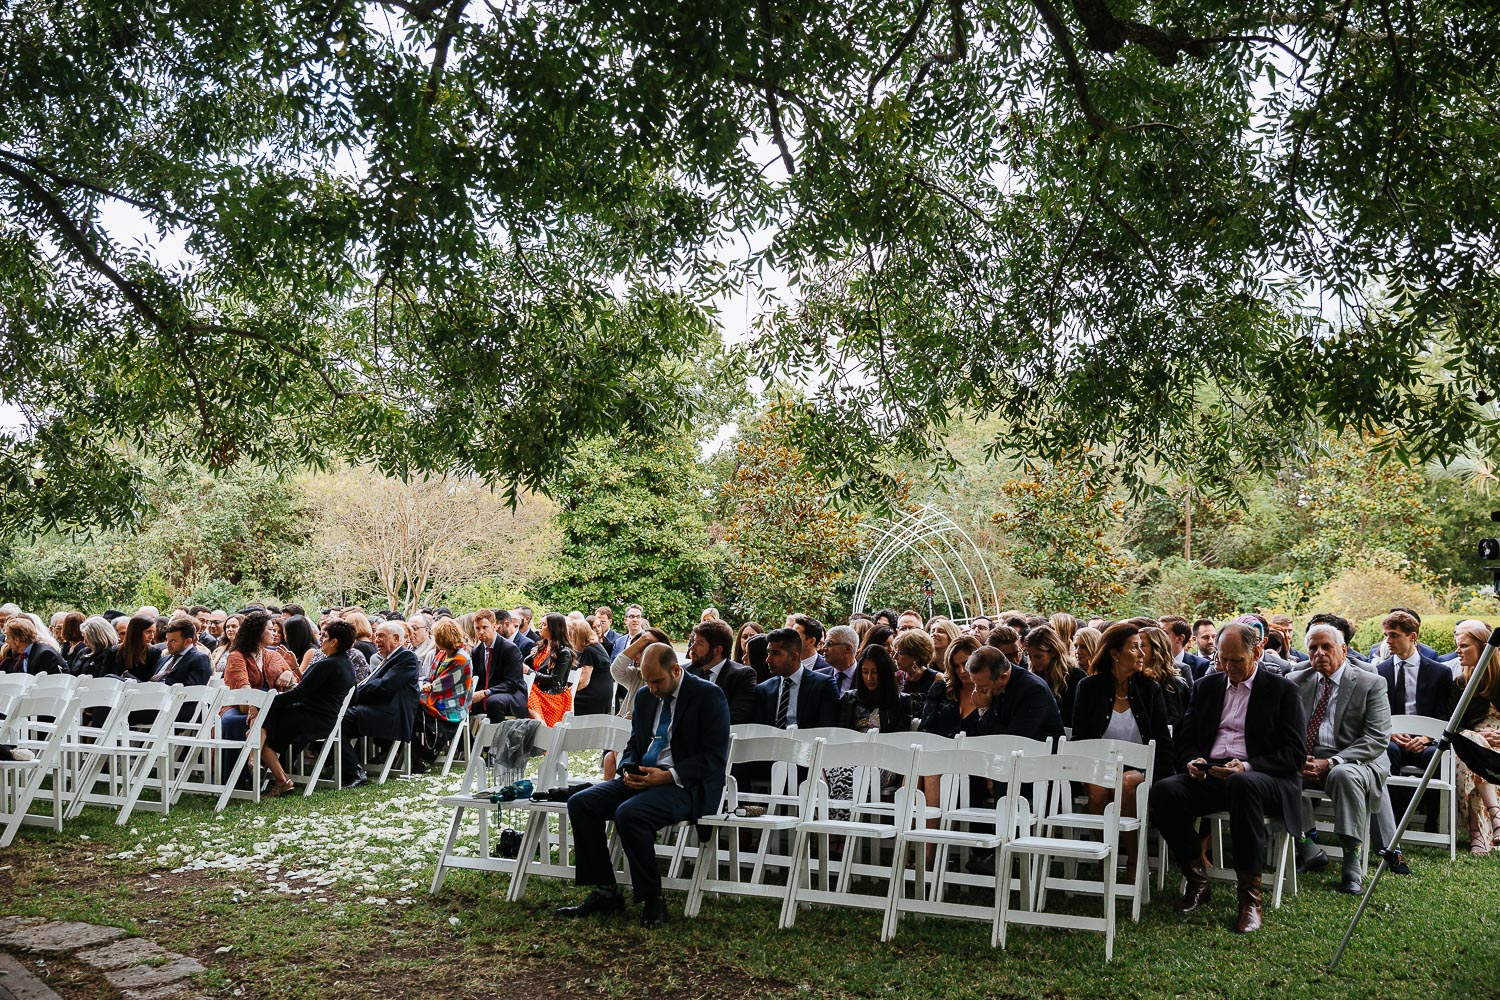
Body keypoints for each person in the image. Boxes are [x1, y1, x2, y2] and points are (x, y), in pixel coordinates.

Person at [558, 643, 729, 928]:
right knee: (581, 802)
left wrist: (669, 775)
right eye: (647, 681)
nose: (651, 688)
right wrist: (628, 770)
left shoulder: (708, 696)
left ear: (676, 670)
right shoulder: (645, 696)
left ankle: (652, 899)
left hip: (686, 786)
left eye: (657, 681)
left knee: (630, 813)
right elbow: (635, 744)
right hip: (645, 777)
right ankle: (605, 891)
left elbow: (714, 758)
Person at [1148, 622, 1305, 934]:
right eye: (1223, 660)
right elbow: (1186, 737)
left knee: (1241, 784)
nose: (1229, 667)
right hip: (1213, 772)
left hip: (1263, 777)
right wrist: (1191, 760)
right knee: (1165, 791)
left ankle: (1250, 901)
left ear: (1257, 652)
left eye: (1237, 660)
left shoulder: (1282, 690)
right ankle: (1198, 881)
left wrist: (1246, 766)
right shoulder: (1207, 687)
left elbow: (1293, 755)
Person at [1288, 623, 1392, 894]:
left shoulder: (1371, 683)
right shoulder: (1296, 681)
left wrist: (1333, 761)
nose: (1319, 653)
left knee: (1343, 775)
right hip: (1309, 757)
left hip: (1357, 760)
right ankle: (1308, 849)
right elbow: (1283, 729)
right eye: (1313, 648)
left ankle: (1351, 860)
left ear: (1343, 649)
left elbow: (1377, 739)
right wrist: (1298, 760)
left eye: (1327, 647)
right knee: (1277, 773)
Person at [1071, 621, 1174, 880]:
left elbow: (1162, 739)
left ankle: (1133, 858)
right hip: (1100, 767)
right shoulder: (1089, 688)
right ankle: (1105, 854)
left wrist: (1161, 778)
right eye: (1134, 648)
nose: (1142, 654)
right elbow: (1081, 736)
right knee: (1097, 788)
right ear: (1114, 653)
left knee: (1127, 783)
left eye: (1142, 647)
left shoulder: (1150, 689)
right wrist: (1084, 768)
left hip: (1140, 769)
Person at [258, 620, 358, 797]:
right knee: (271, 716)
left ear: (334, 642)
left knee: (264, 722)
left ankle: (273, 774)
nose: (321, 639)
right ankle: (276, 773)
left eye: (324, 636)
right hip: (327, 718)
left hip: (312, 720)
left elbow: (299, 694)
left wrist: (266, 702)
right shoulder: (346, 664)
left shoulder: (327, 664)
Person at [340, 620, 420, 788]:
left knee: (337, 720)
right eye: (376, 636)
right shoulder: (385, 659)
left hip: (391, 715)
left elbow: (385, 686)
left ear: (397, 639)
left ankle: (354, 771)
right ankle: (343, 767)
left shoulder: (406, 657)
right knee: (332, 717)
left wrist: (355, 693)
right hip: (375, 709)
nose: (377, 640)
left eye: (382, 636)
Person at [1451, 619, 1500, 855]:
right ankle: (1494, 817)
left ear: (1483, 646)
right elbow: (1454, 725)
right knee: (1470, 744)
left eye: (1464, 646)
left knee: (1471, 755)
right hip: (1475, 744)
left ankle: (1477, 836)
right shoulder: (1461, 683)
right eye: (1457, 646)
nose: (1457, 651)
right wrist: (1478, 737)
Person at [964, 645, 1064, 743]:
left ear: (1003, 678)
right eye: (975, 684)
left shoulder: (1033, 690)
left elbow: (1012, 741)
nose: (977, 690)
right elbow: (981, 735)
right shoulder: (994, 685)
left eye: (983, 685)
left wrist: (985, 709)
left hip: (1043, 753)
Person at [753, 627, 839, 729]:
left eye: (775, 653)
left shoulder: (823, 686)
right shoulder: (764, 689)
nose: (768, 660)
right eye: (768, 652)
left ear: (793, 657)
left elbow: (828, 729)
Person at [686, 620, 757, 725]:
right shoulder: (687, 672)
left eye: (699, 644)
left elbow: (737, 717)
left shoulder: (742, 676)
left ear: (717, 650)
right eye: (693, 642)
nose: (692, 648)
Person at [470, 609, 528, 722]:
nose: (481, 631)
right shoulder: (477, 651)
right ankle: (468, 739)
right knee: (459, 703)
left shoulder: (509, 649)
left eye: (484, 627)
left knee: (494, 701)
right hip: (488, 694)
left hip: (511, 694)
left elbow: (512, 683)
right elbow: (478, 679)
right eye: (477, 628)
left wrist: (486, 692)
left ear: (494, 626)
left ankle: (497, 738)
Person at [841, 644, 912, 734]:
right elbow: (841, 732)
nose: (869, 678)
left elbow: (899, 737)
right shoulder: (849, 699)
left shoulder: (902, 701)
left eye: (875, 672)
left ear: (885, 672)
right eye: (865, 672)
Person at [1022, 625, 1085, 726]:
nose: (1033, 661)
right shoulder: (1031, 678)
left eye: (1039, 657)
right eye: (1030, 656)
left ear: (1053, 652)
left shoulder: (1076, 677)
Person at [921, 635, 981, 737]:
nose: (961, 671)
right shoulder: (941, 688)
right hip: (937, 750)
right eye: (956, 666)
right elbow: (925, 729)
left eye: (966, 664)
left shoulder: (992, 691)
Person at [527, 613, 574, 726]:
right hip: (538, 691)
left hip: (553, 695)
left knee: (528, 692)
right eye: (540, 624)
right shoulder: (539, 648)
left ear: (554, 628)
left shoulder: (564, 653)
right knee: (524, 689)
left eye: (543, 624)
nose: (540, 627)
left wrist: (530, 673)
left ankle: (540, 723)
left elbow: (554, 680)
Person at [571, 616, 616, 717]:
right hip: (599, 694)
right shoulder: (594, 645)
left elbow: (583, 682)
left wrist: (565, 693)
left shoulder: (589, 650)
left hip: (594, 697)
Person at [0, 616, 64, 675]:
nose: (6, 641)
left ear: (17, 640)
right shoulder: (24, 654)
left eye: (8, 637)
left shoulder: (45, 654)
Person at [893, 628, 940, 701]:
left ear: (915, 658)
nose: (894, 657)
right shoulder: (897, 677)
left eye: (899, 653)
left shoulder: (937, 679)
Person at [114, 615, 162, 682]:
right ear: (136, 632)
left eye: (153, 632)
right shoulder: (114, 652)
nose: (152, 636)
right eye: (148, 632)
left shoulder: (153, 652)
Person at [820, 624, 860, 697]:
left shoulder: (866, 679)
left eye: (830, 644)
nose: (824, 648)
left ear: (848, 649)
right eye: (824, 643)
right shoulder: (818, 677)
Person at [408, 614, 436, 678]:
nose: (411, 632)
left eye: (414, 628)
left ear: (426, 630)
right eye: (409, 629)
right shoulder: (406, 644)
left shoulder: (434, 645)